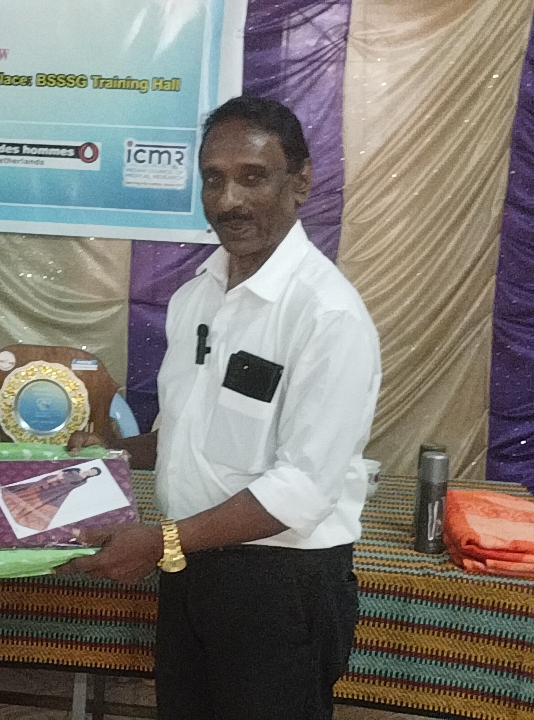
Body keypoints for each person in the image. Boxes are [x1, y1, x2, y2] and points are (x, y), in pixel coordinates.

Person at [59, 96, 381, 719]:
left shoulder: (326, 315)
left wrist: (159, 542)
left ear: (300, 182)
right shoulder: (195, 298)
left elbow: (302, 490)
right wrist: (114, 451)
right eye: (214, 178)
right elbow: (184, 434)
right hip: (189, 565)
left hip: (281, 587)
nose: (228, 199)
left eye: (253, 177)